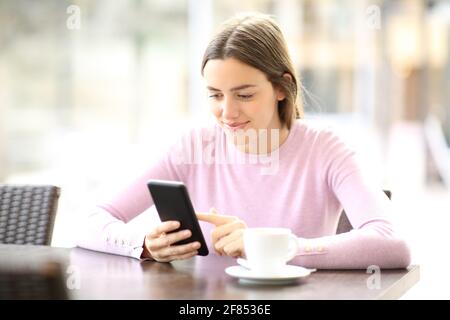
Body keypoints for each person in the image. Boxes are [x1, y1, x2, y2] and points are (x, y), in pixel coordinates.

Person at [77, 13, 411, 269]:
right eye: (215, 95)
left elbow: (392, 243)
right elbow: (88, 220)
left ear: (281, 88)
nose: (227, 112)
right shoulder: (194, 147)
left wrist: (272, 246)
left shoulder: (325, 149)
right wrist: (142, 243)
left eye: (244, 95)